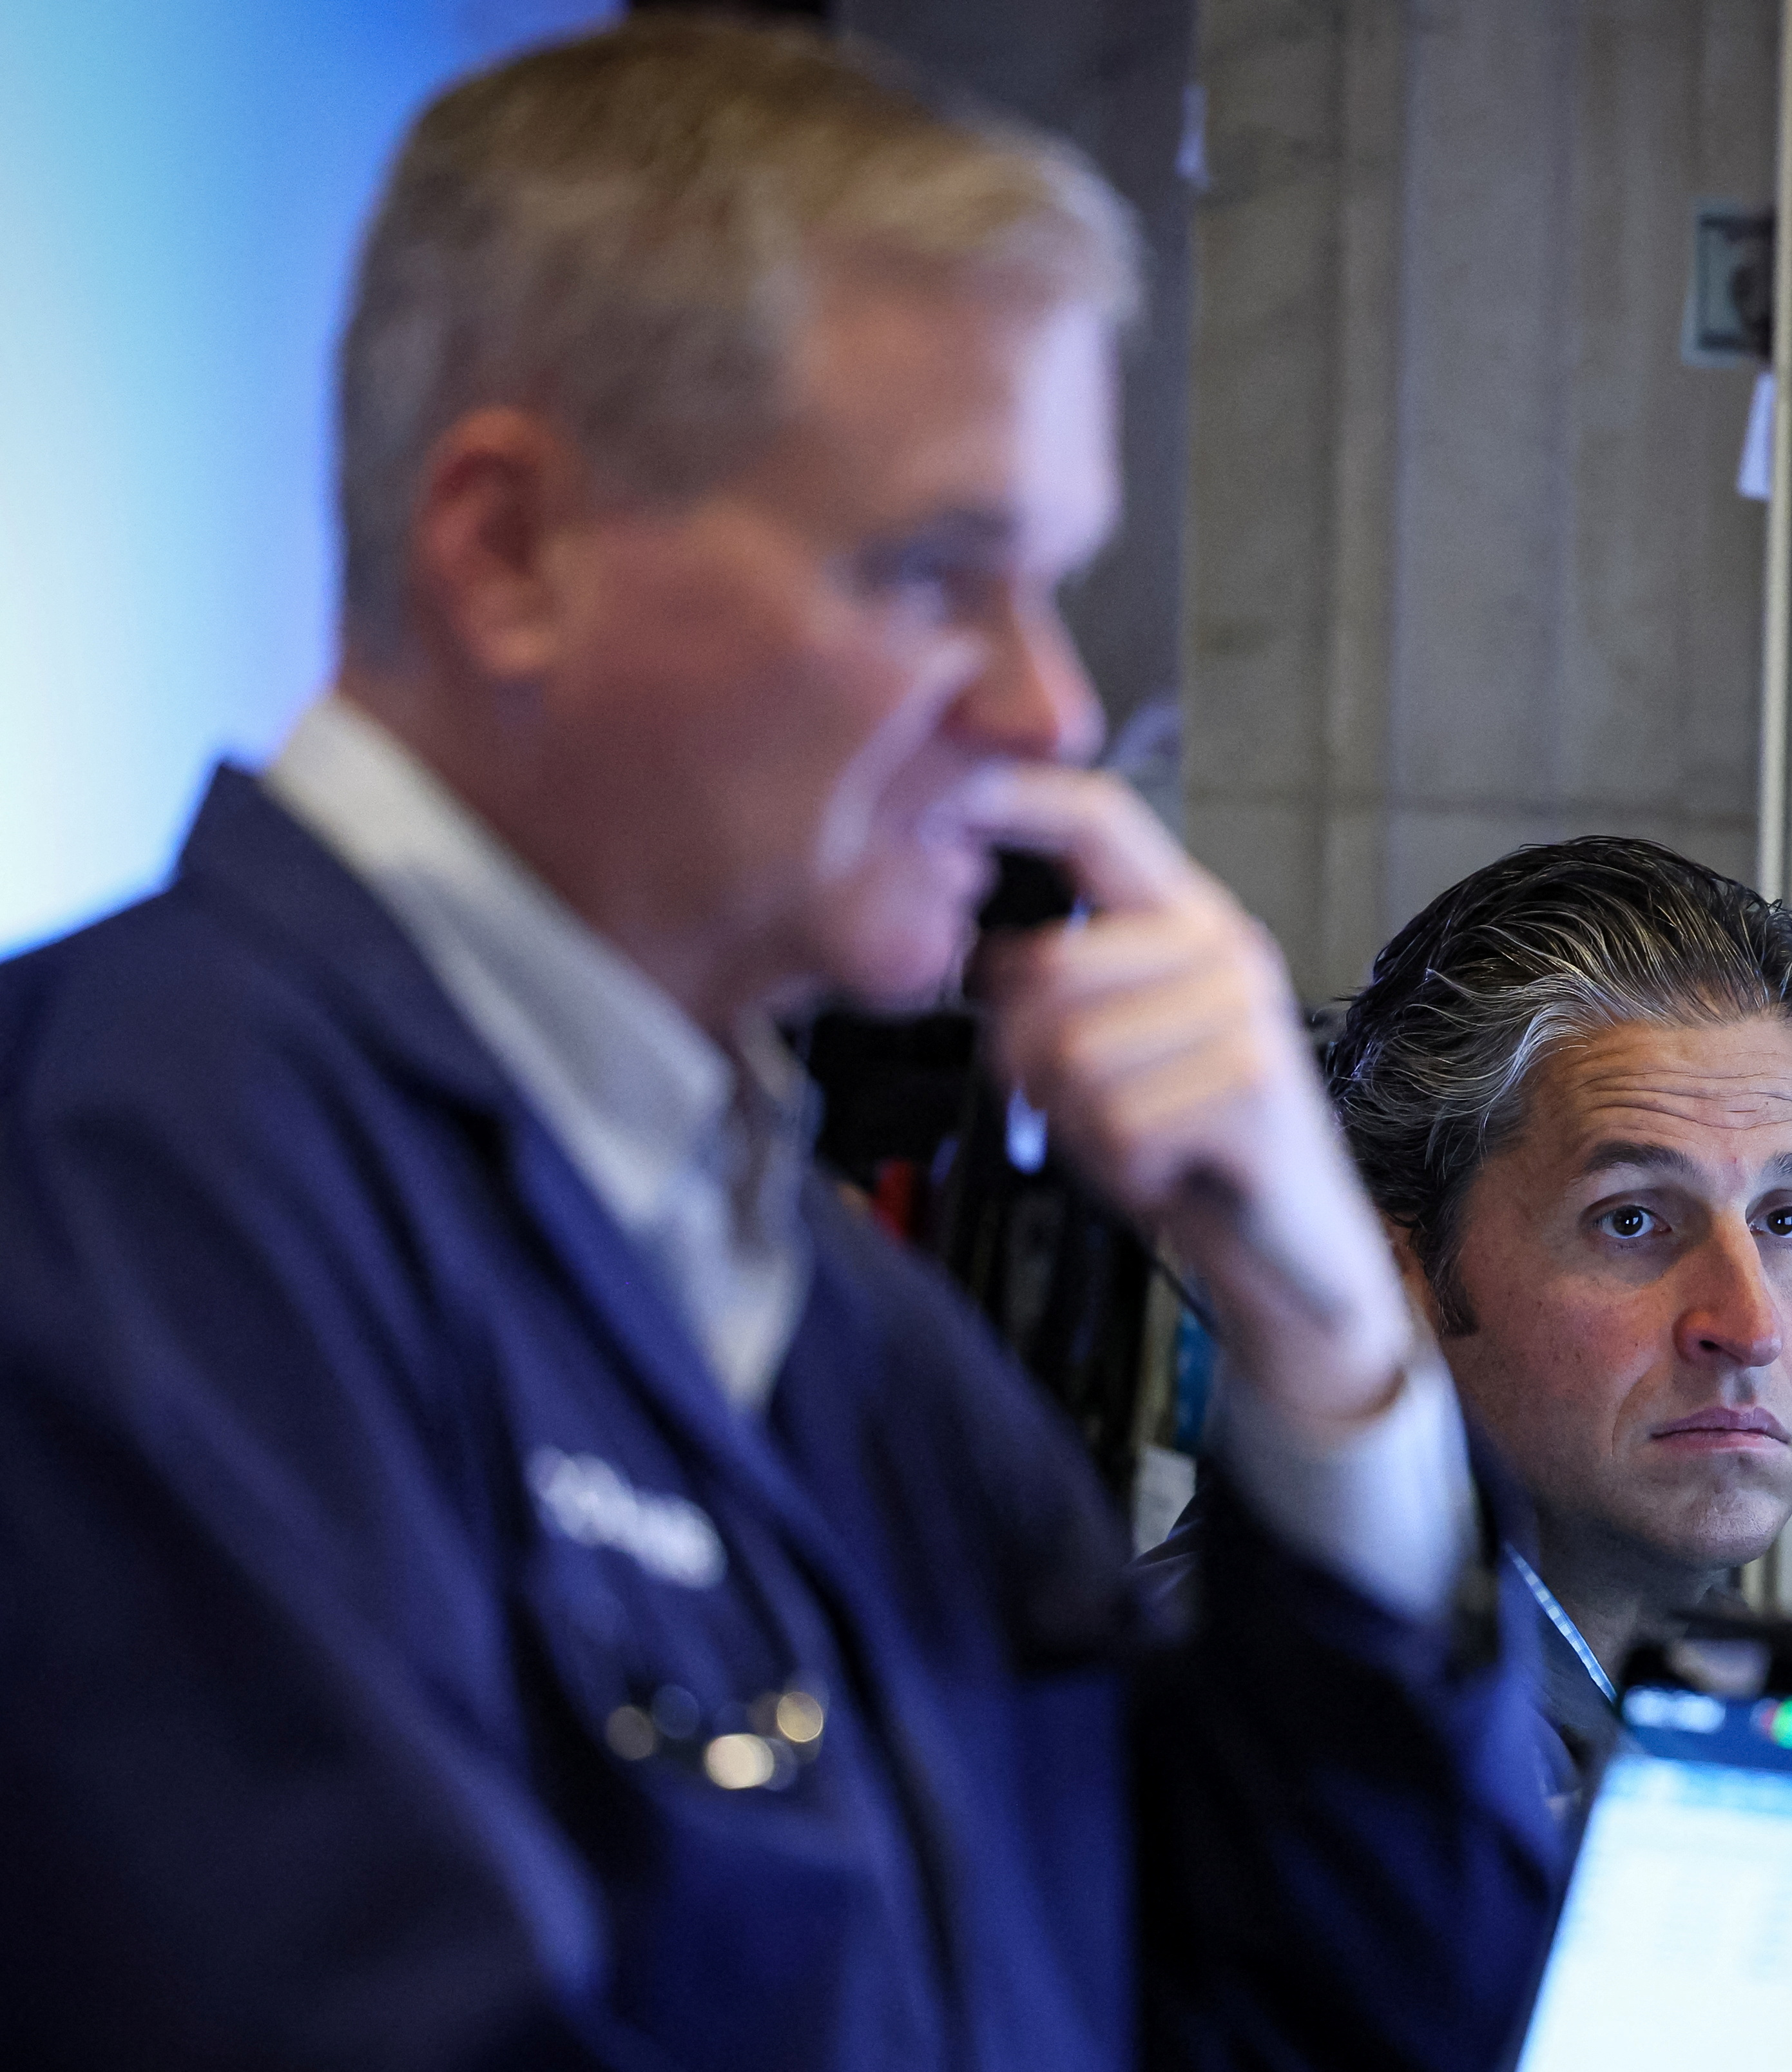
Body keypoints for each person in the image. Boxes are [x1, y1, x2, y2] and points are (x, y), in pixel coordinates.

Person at [0, 21, 1553, 2069]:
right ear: (508, 551)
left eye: (1053, 584)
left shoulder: (826, 1315)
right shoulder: (126, 1175)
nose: (1050, 712)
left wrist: (1327, 1344)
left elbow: (1340, 2023)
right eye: (936, 575)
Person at [1318, 837, 1792, 1797]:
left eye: (1785, 1220)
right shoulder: (1299, 1726)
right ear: (1400, 1279)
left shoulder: (1720, 1694)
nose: (1748, 1325)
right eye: (1631, 1220)